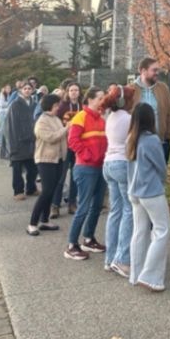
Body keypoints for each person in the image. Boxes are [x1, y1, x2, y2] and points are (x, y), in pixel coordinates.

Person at [126, 103, 170, 292]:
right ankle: (150, 276)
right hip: (151, 191)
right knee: (162, 231)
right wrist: (163, 181)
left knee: (139, 232)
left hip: (134, 192)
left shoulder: (131, 138)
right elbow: (161, 167)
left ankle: (135, 275)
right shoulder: (151, 140)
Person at [64, 87, 109, 260]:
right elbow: (73, 141)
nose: (102, 102)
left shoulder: (101, 120)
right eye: (99, 98)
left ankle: (88, 239)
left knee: (97, 205)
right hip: (86, 168)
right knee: (83, 207)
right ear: (89, 100)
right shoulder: (80, 117)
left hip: (100, 167)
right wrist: (89, 156)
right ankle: (71, 245)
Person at [100, 85, 136, 277]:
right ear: (124, 101)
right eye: (131, 98)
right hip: (122, 165)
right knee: (128, 211)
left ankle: (110, 258)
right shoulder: (129, 119)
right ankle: (122, 260)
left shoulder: (110, 117)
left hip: (108, 164)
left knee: (115, 211)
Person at [26, 94, 69, 236]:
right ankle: (32, 224)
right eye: (56, 105)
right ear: (50, 105)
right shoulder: (42, 121)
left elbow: (61, 136)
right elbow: (51, 138)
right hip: (45, 160)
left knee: (52, 190)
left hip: (58, 159)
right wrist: (66, 128)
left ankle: (45, 221)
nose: (58, 108)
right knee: (45, 192)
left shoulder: (56, 119)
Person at [128, 58, 170, 163]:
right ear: (143, 71)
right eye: (154, 70)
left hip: (160, 143)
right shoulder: (131, 90)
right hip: (137, 144)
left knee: (159, 177)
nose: (157, 73)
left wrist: (167, 137)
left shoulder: (163, 88)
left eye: (157, 70)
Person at [0, 81, 39, 200]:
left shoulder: (35, 104)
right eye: (25, 88)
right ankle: (18, 191)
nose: (27, 90)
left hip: (32, 142)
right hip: (18, 142)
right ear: (21, 90)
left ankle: (31, 189)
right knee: (17, 170)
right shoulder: (15, 104)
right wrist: (12, 144)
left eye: (29, 88)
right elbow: (9, 125)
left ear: (32, 90)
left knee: (33, 168)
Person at [52, 81, 84, 217]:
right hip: (65, 145)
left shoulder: (83, 106)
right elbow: (55, 123)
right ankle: (55, 205)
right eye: (71, 90)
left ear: (79, 92)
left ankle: (72, 203)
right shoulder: (61, 107)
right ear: (67, 92)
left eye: (76, 90)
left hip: (78, 146)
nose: (74, 92)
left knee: (75, 177)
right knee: (61, 176)